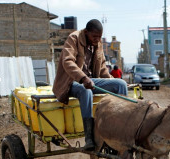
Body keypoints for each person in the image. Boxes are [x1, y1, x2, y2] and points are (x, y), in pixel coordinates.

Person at [52, 19, 128, 151]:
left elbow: (103, 68)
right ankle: (89, 137)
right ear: (86, 32)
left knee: (120, 84)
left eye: (99, 37)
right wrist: (83, 78)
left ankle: (122, 129)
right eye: (94, 36)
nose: (97, 40)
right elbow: (67, 62)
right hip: (72, 82)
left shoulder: (98, 44)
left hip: (91, 80)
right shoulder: (73, 38)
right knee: (84, 90)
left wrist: (110, 80)